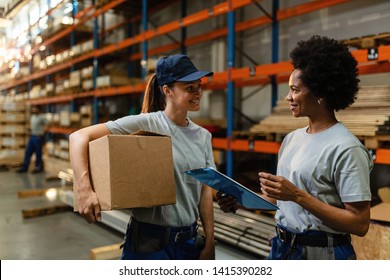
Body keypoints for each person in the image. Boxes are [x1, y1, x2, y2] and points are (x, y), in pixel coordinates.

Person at [217, 35, 373, 260]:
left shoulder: (346, 148)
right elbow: (283, 200)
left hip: (323, 255)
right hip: (284, 248)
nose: (288, 97)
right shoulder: (292, 139)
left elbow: (359, 223)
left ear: (319, 93)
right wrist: (242, 201)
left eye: (295, 90)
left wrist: (298, 196)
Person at [69, 54, 215, 260]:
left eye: (199, 86)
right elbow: (78, 137)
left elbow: (205, 192)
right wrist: (84, 189)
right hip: (148, 241)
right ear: (167, 91)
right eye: (189, 88)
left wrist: (210, 241)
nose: (198, 92)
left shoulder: (203, 136)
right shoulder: (147, 124)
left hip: (188, 242)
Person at [17, 105, 48, 173]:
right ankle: (24, 167)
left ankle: (38, 167)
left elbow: (47, 125)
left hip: (38, 137)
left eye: (35, 109)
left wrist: (42, 133)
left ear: (39, 110)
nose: (33, 110)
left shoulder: (42, 117)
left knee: (38, 153)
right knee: (28, 152)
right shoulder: (32, 117)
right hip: (32, 136)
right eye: (33, 109)